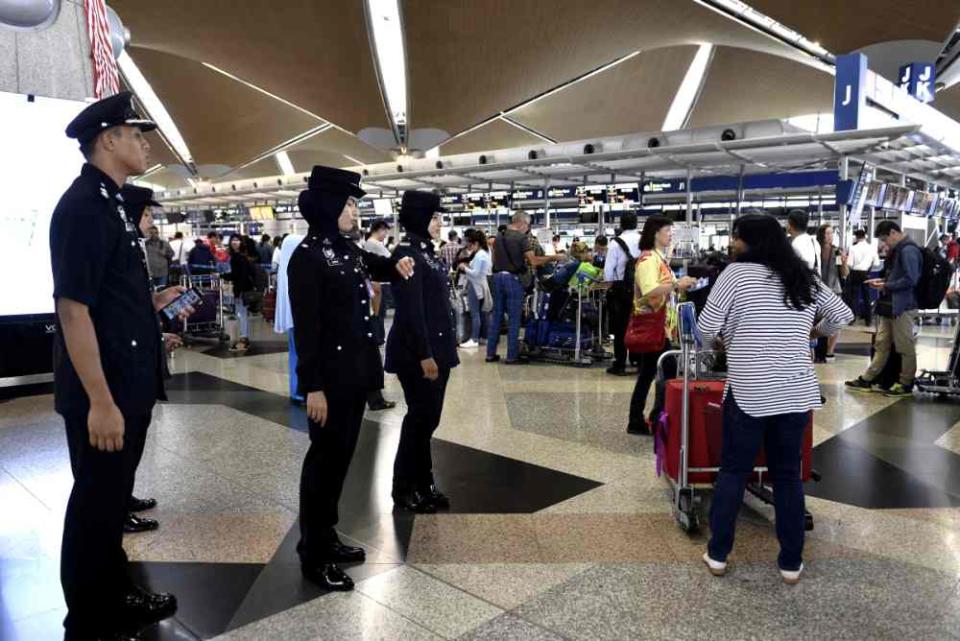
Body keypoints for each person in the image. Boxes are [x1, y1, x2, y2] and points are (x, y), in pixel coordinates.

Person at [52, 91, 192, 641]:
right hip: (104, 391)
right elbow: (73, 308)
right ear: (108, 139)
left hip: (127, 380)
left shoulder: (111, 203)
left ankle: (113, 591)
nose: (143, 142)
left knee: (110, 505)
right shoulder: (84, 206)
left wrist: (154, 311)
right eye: (136, 134)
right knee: (93, 506)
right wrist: (102, 402)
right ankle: (87, 617)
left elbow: (111, 299)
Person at [699, 213, 852, 585]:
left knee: (734, 471)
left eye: (735, 238)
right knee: (787, 477)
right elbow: (841, 315)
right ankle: (790, 562)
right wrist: (810, 332)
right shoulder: (802, 275)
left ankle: (718, 555)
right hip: (795, 393)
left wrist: (723, 342)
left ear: (747, 241)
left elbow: (705, 328)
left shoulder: (734, 274)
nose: (733, 244)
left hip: (749, 391)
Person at [287, 166, 414, 591]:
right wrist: (313, 386)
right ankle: (313, 553)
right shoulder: (307, 257)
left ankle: (328, 534)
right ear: (327, 206)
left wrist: (400, 262)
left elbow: (380, 265)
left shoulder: (346, 249)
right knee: (323, 463)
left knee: (341, 459)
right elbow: (307, 330)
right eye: (349, 203)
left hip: (355, 374)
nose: (355, 211)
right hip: (330, 379)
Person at [386, 191, 460, 513]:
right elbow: (411, 310)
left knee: (428, 419)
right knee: (420, 418)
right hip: (417, 352)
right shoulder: (407, 254)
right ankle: (403, 487)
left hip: (436, 348)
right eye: (433, 217)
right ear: (418, 219)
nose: (440, 222)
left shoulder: (428, 252)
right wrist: (425, 355)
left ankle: (423, 482)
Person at [627, 215, 697, 435]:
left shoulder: (659, 258)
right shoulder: (648, 260)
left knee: (650, 372)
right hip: (653, 325)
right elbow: (649, 290)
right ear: (656, 232)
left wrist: (677, 286)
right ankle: (655, 418)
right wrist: (677, 284)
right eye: (668, 231)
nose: (670, 235)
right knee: (664, 371)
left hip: (661, 325)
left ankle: (642, 419)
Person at [845, 220, 922, 397]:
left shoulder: (909, 250)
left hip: (903, 306)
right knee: (882, 344)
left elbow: (912, 279)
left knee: (905, 345)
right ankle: (868, 378)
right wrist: (883, 283)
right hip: (890, 305)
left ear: (894, 233)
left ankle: (906, 383)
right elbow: (897, 276)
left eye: (885, 239)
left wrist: (886, 285)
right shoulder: (897, 250)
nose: (884, 243)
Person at [486, 212, 561, 364]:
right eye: (527, 225)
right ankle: (512, 356)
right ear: (521, 223)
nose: (527, 229)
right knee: (514, 319)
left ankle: (490, 354)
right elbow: (533, 261)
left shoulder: (499, 236)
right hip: (513, 280)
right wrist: (554, 257)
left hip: (497, 278)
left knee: (497, 316)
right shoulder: (521, 238)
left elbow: (494, 259)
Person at [360, 219, 397, 411]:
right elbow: (374, 278)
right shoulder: (371, 246)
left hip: (368, 301)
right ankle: (374, 399)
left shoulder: (361, 250)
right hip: (371, 300)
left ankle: (374, 398)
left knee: (372, 353)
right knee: (371, 351)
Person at [604, 212, 641, 376]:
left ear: (621, 224)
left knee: (621, 328)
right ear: (636, 223)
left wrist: (608, 287)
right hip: (641, 288)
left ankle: (620, 364)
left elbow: (608, 270)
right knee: (639, 324)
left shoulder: (615, 243)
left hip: (620, 289)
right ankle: (637, 359)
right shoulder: (644, 239)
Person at [273, 231, 305, 401]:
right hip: (301, 321)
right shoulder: (297, 272)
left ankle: (295, 391)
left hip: (292, 322)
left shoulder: (284, 273)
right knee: (303, 355)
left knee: (294, 354)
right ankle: (301, 390)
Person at [814, 224, 849, 361]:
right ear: (821, 234)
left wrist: (844, 262)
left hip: (834, 290)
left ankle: (830, 350)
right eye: (827, 233)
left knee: (835, 320)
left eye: (832, 233)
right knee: (818, 321)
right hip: (818, 290)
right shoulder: (815, 249)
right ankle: (818, 351)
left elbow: (845, 273)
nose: (830, 236)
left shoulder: (838, 252)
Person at [458, 229, 492, 348]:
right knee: (482, 314)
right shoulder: (484, 253)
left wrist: (464, 268)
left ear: (476, 243)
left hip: (475, 285)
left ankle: (474, 339)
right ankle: (483, 337)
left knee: (474, 314)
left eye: (469, 243)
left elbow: (476, 273)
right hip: (481, 285)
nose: (468, 245)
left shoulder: (479, 255)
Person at [224, 233, 256, 351]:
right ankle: (243, 338)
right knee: (242, 314)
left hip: (242, 289)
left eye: (237, 240)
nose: (234, 242)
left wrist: (223, 276)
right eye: (232, 240)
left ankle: (244, 340)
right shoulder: (240, 256)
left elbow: (238, 275)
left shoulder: (239, 257)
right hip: (243, 288)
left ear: (241, 242)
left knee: (242, 315)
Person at [846, 229, 878, 325]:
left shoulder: (852, 248)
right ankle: (868, 320)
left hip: (855, 273)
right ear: (865, 236)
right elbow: (876, 263)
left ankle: (852, 319)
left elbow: (850, 263)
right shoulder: (872, 248)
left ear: (856, 237)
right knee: (867, 297)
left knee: (854, 297)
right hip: (866, 273)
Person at [143, 225, 174, 289]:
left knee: (162, 290)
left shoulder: (164, 243)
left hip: (162, 272)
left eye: (155, 233)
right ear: (149, 233)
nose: (153, 234)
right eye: (151, 233)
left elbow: (172, 253)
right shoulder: (145, 244)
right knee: (151, 291)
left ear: (158, 233)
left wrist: (165, 254)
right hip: (150, 273)